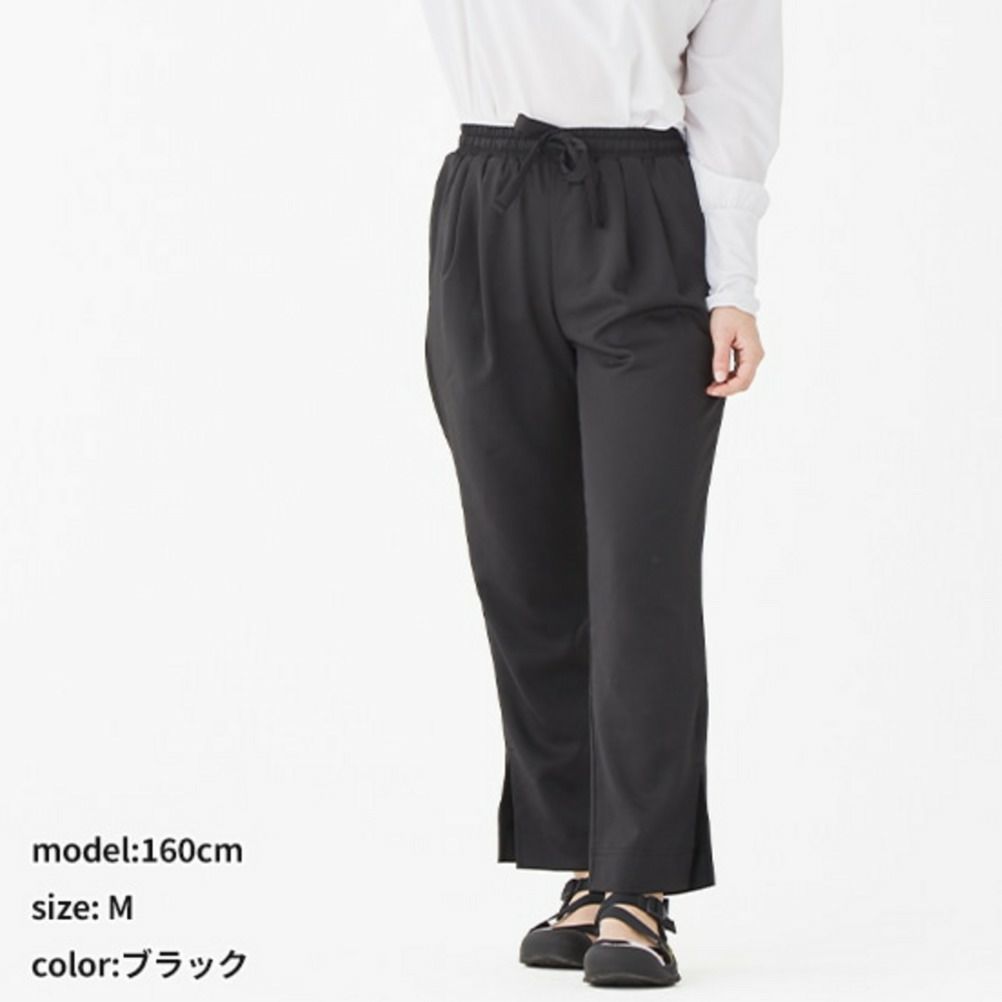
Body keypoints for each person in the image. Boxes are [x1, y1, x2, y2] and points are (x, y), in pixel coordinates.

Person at [419, 0, 782, 988]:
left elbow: (733, 98)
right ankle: (587, 862)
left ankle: (640, 885)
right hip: (489, 201)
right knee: (525, 568)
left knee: (640, 570)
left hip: (646, 212)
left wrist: (733, 287)